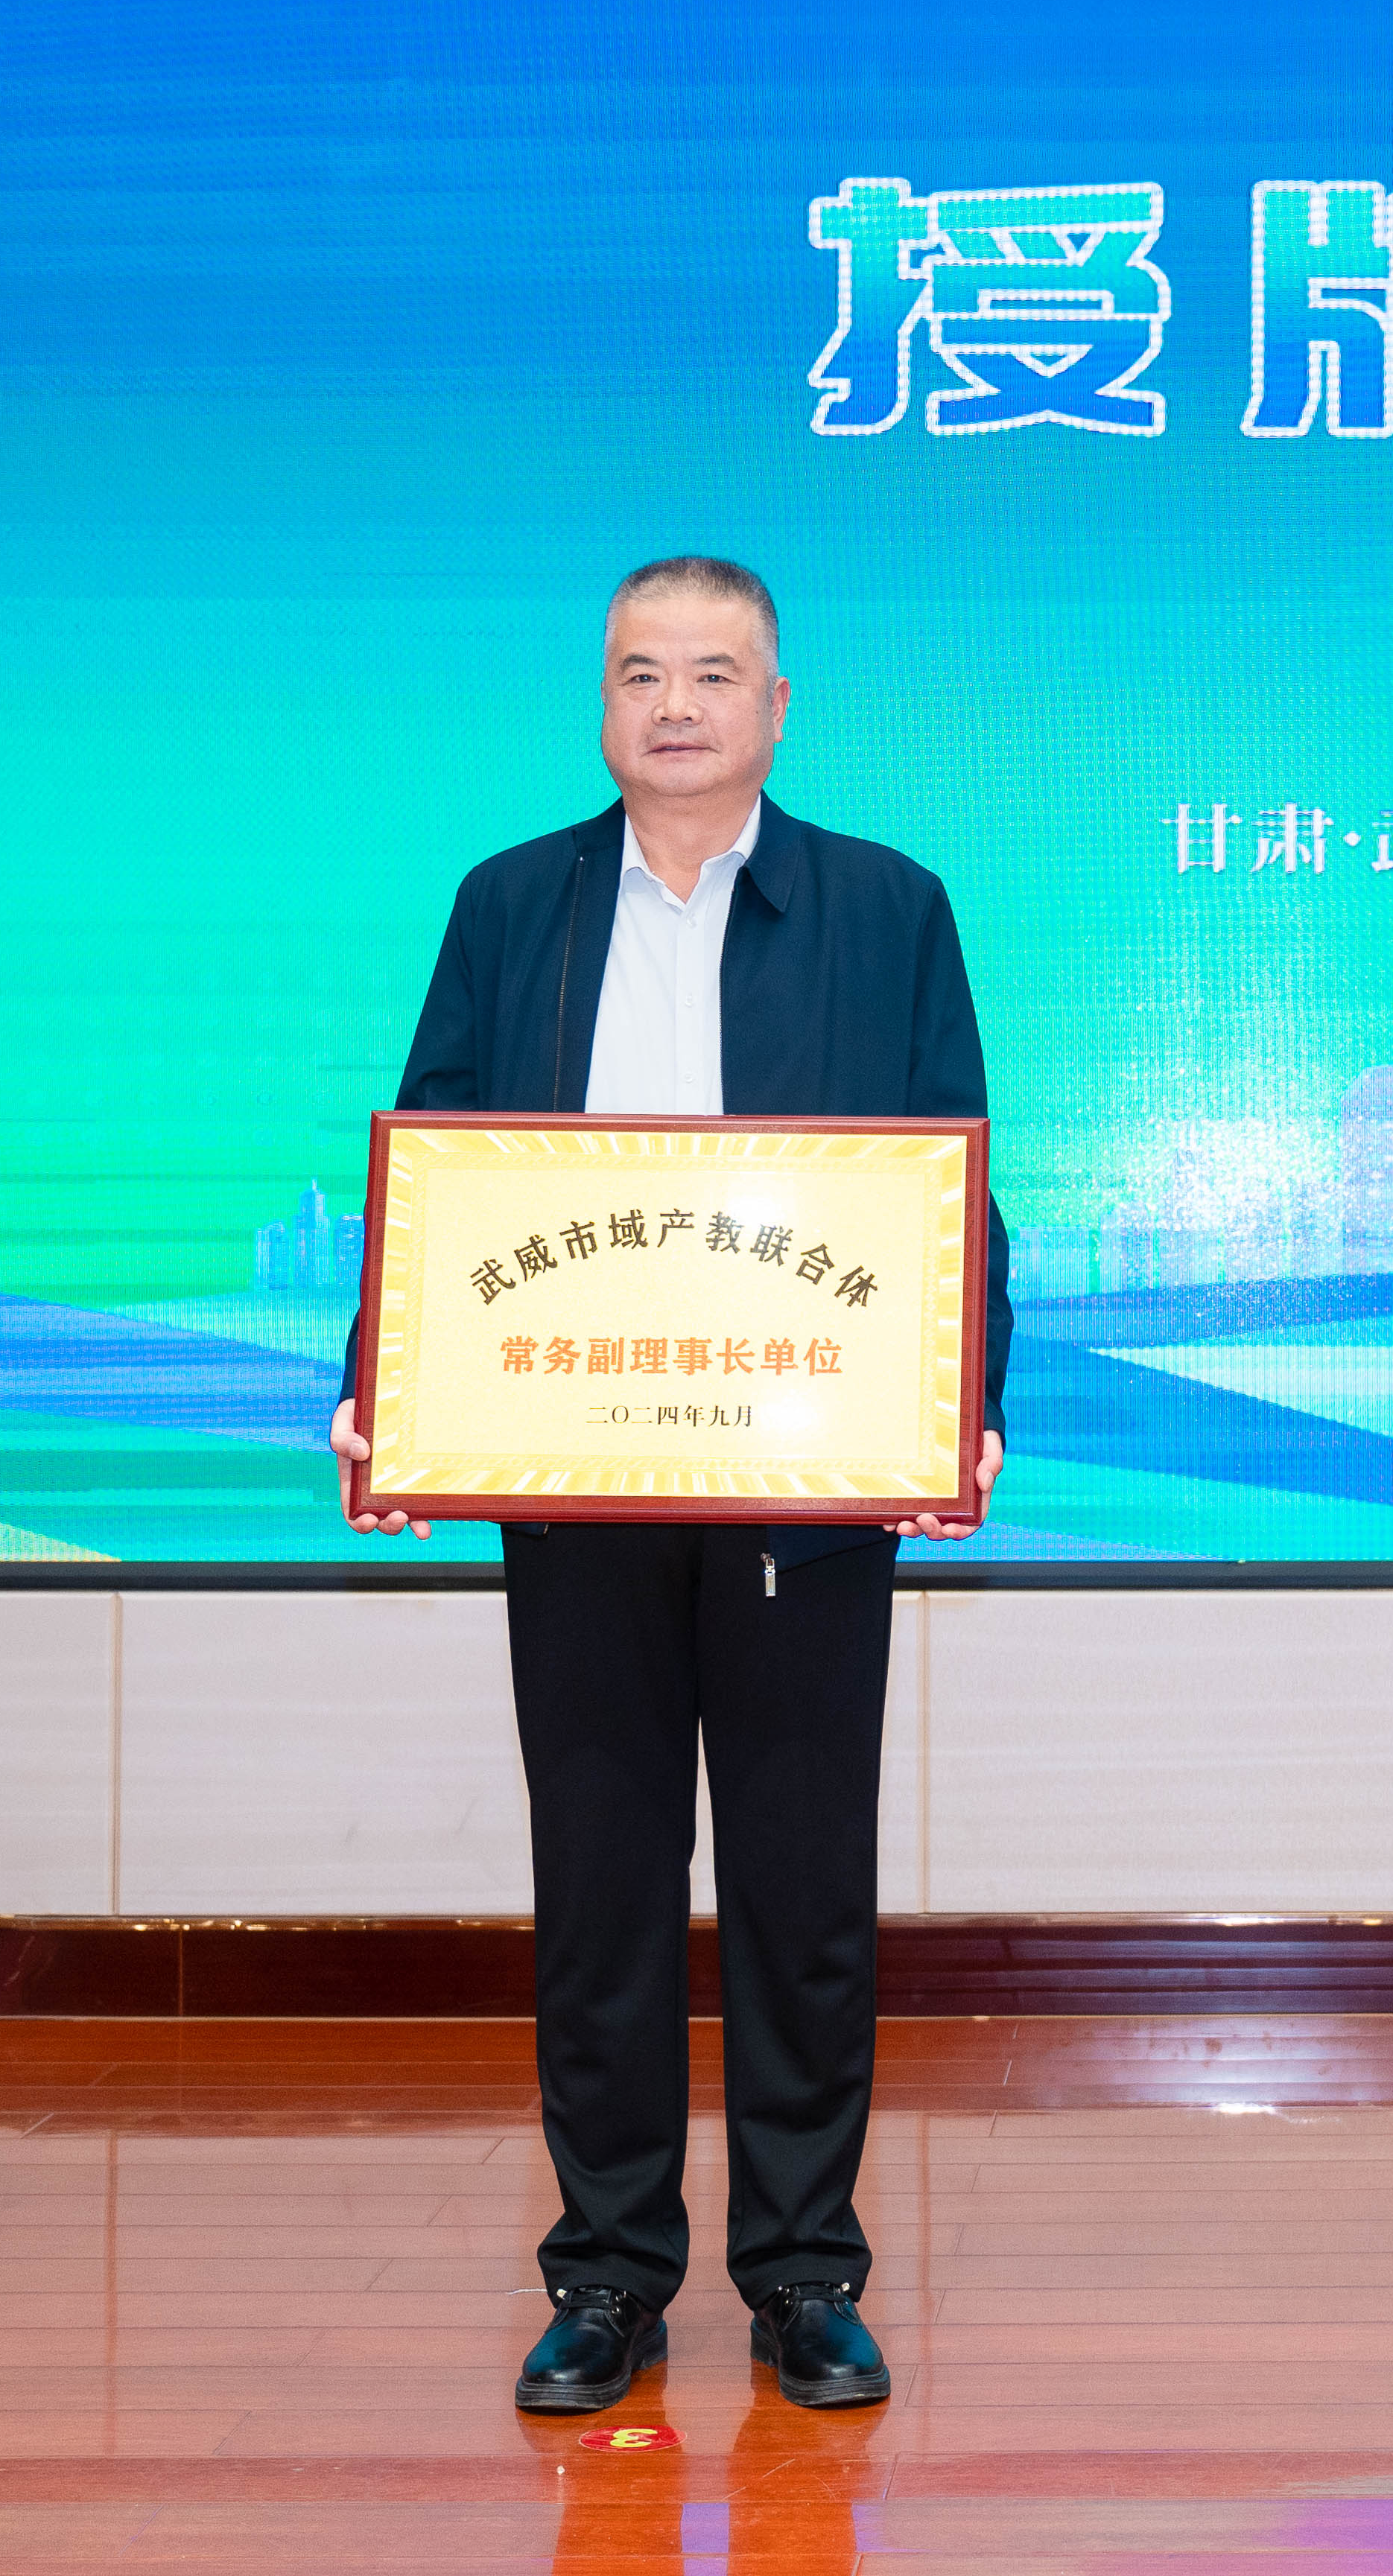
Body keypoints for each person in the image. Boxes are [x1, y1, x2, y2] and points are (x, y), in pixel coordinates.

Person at [331, 556, 1006, 2417]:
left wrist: (962, 1397)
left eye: (716, 674)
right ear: (602, 705)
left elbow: (950, 1168)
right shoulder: (513, 902)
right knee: (602, 1880)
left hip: (808, 1474)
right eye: (642, 673)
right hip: (574, 1462)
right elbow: (436, 1164)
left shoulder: (884, 905)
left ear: (776, 706)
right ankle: (607, 2272)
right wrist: (385, 1386)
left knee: (804, 1888)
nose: (678, 705)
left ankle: (804, 2272)